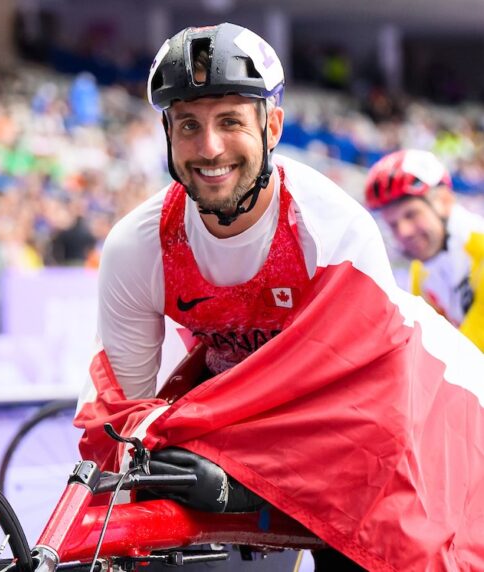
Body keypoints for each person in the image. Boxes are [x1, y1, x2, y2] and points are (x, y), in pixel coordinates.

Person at [74, 23, 484, 571]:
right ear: (167, 134)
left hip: (427, 405)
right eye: (189, 125)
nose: (209, 147)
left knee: (380, 544)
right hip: (265, 421)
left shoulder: (333, 232)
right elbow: (124, 416)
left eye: (229, 122)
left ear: (273, 127)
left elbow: (371, 427)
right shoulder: (135, 248)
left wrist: (245, 486)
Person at [364, 149, 484, 351]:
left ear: (444, 201)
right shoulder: (420, 272)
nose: (404, 232)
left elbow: (468, 357)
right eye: (393, 224)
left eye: (411, 214)